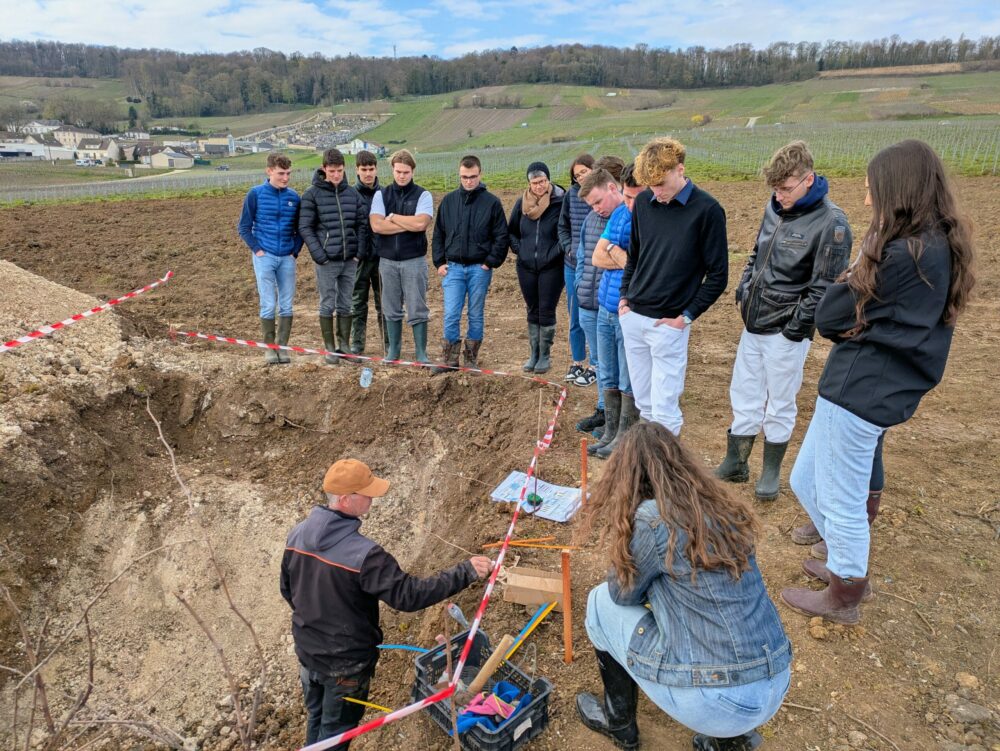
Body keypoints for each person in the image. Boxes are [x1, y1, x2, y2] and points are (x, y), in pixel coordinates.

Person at [781, 140, 975, 625]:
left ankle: (846, 590)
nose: (868, 202)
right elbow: (850, 316)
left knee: (841, 496)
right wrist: (859, 317)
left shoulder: (903, 252)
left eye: (873, 192)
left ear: (899, 190)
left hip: (862, 390)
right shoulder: (936, 244)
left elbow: (830, 312)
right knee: (806, 479)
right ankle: (846, 563)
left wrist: (854, 300)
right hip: (868, 384)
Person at [575, 422, 791, 751]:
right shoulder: (724, 506)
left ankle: (619, 723)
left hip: (716, 700)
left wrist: (627, 551)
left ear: (627, 474)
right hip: (774, 682)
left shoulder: (652, 518)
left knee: (599, 604)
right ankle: (730, 740)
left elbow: (622, 594)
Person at [281, 459, 492, 747]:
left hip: (307, 653)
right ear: (345, 500)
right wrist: (465, 571)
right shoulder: (365, 555)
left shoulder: (298, 534)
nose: (372, 498)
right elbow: (410, 595)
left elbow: (288, 591)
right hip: (346, 666)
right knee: (335, 737)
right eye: (365, 493)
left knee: (317, 721)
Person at [716, 141, 852, 500]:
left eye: (786, 188)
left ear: (809, 179)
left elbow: (825, 285)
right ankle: (736, 461)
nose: (779, 195)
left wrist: (795, 327)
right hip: (754, 321)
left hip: (786, 331)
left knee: (780, 400)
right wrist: (744, 289)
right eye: (774, 189)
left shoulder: (832, 223)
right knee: (744, 392)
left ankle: (771, 471)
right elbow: (757, 252)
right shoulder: (774, 207)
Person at [620, 137, 728, 434]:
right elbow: (635, 255)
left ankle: (665, 474)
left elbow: (718, 275)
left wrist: (686, 317)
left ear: (679, 169)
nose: (658, 193)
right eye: (651, 187)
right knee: (645, 403)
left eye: (662, 185)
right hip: (633, 317)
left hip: (668, 324)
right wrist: (623, 299)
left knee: (665, 409)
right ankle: (648, 467)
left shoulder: (708, 211)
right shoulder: (644, 202)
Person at [431, 155, 508, 372]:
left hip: (478, 269)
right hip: (453, 268)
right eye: (464, 177)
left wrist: (490, 261)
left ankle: (471, 359)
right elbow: (438, 234)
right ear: (459, 175)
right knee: (451, 313)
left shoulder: (492, 202)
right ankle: (450, 360)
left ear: (480, 174)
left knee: (475, 313)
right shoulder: (448, 201)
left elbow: (501, 235)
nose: (468, 181)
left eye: (473, 177)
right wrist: (439, 262)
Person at [589, 163, 644, 459]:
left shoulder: (645, 217)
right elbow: (598, 256)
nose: (628, 202)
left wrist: (616, 252)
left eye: (633, 196)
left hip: (628, 309)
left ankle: (625, 436)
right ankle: (611, 432)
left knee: (627, 376)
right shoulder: (620, 213)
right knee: (608, 373)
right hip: (605, 306)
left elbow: (640, 267)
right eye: (626, 196)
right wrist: (616, 253)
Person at [299, 148, 370, 365]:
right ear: (324, 169)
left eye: (339, 171)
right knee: (327, 303)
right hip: (327, 261)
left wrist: (358, 253)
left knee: (346, 303)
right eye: (332, 171)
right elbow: (305, 227)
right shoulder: (312, 195)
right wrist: (319, 255)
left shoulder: (352, 194)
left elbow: (362, 224)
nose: (336, 175)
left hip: (350, 260)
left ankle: (344, 346)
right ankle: (330, 348)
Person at [369, 149, 434, 362]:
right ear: (392, 170)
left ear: (412, 171)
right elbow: (377, 226)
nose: (402, 175)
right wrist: (408, 224)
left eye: (406, 172)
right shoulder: (381, 195)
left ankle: (421, 353)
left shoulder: (423, 195)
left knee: (417, 306)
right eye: (398, 171)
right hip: (387, 261)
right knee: (390, 306)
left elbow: (421, 223)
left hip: (414, 260)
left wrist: (395, 218)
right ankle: (393, 350)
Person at [237, 152, 302, 364]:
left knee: (286, 304)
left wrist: (295, 251)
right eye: (281, 173)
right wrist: (257, 250)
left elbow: (300, 228)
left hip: (286, 257)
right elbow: (244, 227)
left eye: (288, 174)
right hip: (264, 255)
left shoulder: (294, 197)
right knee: (268, 303)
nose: (285, 178)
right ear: (269, 171)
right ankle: (269, 348)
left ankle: (282, 348)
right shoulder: (255, 194)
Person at [573, 165, 620, 436]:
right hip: (587, 302)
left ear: (612, 188)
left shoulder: (624, 219)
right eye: (591, 204)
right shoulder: (591, 220)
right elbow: (582, 256)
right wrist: (580, 284)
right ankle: (603, 411)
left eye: (598, 201)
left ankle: (615, 418)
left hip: (610, 303)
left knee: (613, 363)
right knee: (599, 360)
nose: (597, 208)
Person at [508, 161, 566, 374]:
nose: (539, 186)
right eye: (535, 182)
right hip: (526, 266)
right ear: (529, 183)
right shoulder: (521, 204)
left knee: (546, 309)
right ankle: (533, 353)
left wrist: (553, 253)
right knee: (532, 309)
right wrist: (519, 249)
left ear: (548, 180)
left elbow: (565, 232)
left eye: (542, 181)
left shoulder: (559, 202)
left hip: (552, 266)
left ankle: (545, 355)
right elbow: (511, 231)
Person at [557, 154, 595, 384]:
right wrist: (569, 249)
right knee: (576, 316)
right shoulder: (571, 195)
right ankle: (577, 361)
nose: (580, 177)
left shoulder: (602, 194)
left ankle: (595, 365)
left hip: (596, 266)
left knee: (594, 316)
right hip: (572, 265)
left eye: (584, 172)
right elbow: (562, 226)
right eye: (576, 175)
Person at [349, 150, 388, 356]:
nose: (368, 173)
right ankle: (357, 343)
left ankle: (388, 344)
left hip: (382, 258)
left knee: (385, 304)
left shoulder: (385, 194)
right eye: (363, 169)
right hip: (360, 260)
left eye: (371, 169)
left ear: (376, 169)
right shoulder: (350, 195)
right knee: (358, 303)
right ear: (357, 170)